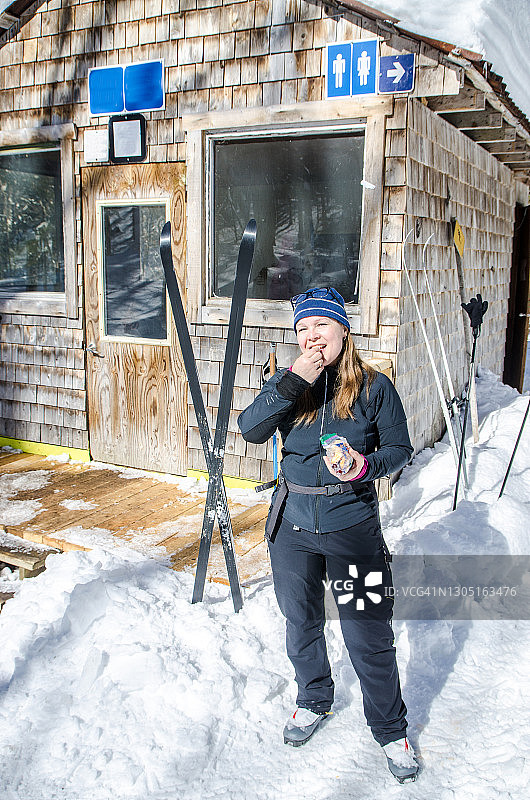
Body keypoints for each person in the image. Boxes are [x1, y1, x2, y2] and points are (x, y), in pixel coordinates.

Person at [237, 287, 418, 783]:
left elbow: (400, 449)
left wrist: (364, 467)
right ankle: (314, 698)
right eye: (302, 328)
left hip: (352, 528)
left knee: (368, 633)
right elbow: (250, 428)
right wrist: (294, 380)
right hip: (292, 527)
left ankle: (390, 728)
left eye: (320, 325)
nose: (311, 336)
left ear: (343, 329)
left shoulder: (374, 387)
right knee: (301, 622)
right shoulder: (289, 382)